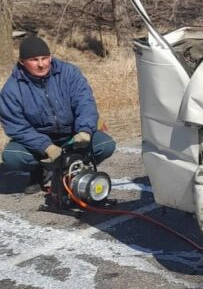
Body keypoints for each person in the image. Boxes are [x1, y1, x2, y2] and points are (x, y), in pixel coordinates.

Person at [0, 35, 116, 193]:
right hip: (39, 143)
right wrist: (45, 146)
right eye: (34, 60)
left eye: (45, 58)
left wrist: (84, 130)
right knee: (13, 156)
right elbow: (16, 126)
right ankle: (39, 172)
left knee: (105, 145)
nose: (41, 64)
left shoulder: (69, 73)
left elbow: (85, 102)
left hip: (72, 135)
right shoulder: (11, 89)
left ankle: (73, 169)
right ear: (22, 62)